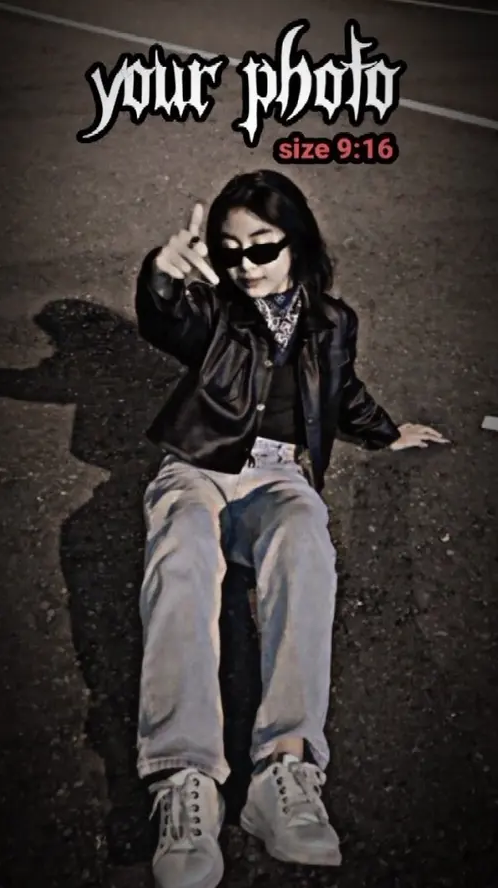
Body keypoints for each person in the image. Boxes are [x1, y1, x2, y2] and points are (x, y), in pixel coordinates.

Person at [134, 169, 449, 888]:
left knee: (307, 541)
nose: (246, 265)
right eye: (230, 251)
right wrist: (162, 276)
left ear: (297, 244)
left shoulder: (332, 322)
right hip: (197, 468)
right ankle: (184, 778)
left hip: (277, 476)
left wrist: (386, 432)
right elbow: (166, 320)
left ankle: (285, 769)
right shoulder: (215, 310)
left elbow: (341, 389)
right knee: (182, 551)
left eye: (263, 247)